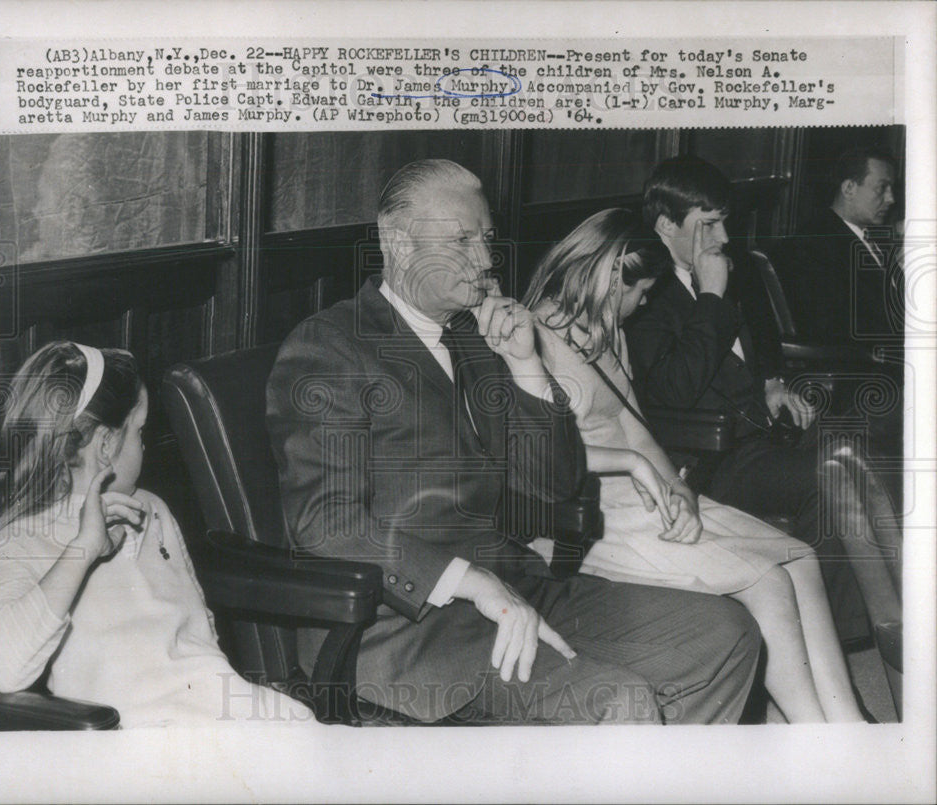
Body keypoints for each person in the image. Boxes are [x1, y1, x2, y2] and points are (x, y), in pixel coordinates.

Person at [266, 159, 761, 725]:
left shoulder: (476, 339)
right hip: (408, 630)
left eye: (486, 239)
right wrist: (469, 582)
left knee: (725, 635)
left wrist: (526, 365)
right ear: (398, 242)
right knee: (618, 702)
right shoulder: (330, 347)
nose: (483, 260)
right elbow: (325, 523)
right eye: (461, 240)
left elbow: (550, 485)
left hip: (518, 584)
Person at [523, 208, 864, 722]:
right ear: (613, 274)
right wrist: (641, 470)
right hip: (590, 513)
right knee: (766, 579)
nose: (642, 304)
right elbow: (534, 458)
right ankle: (811, 731)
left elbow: (634, 424)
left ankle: (845, 722)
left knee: (799, 557)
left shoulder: (602, 328)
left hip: (648, 498)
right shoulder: (528, 341)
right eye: (640, 292)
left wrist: (677, 490)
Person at [625, 155, 901, 654]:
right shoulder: (648, 294)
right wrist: (710, 297)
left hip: (764, 432)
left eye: (724, 221)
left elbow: (765, 336)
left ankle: (875, 616)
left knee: (871, 438)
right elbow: (673, 392)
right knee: (831, 473)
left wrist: (773, 380)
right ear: (667, 225)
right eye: (708, 224)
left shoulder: (725, 270)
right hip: (711, 456)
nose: (724, 237)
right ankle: (837, 638)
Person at [0, 341, 315, 729]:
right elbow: (1, 670)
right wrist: (83, 550)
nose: (145, 444)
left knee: (305, 732)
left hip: (217, 712)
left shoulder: (152, 508)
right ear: (104, 445)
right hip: (138, 739)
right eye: (140, 431)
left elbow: (200, 635)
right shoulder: (20, 539)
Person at [787, 146, 902, 349]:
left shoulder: (876, 240)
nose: (891, 199)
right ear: (849, 188)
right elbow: (831, 330)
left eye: (892, 189)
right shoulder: (814, 244)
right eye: (882, 188)